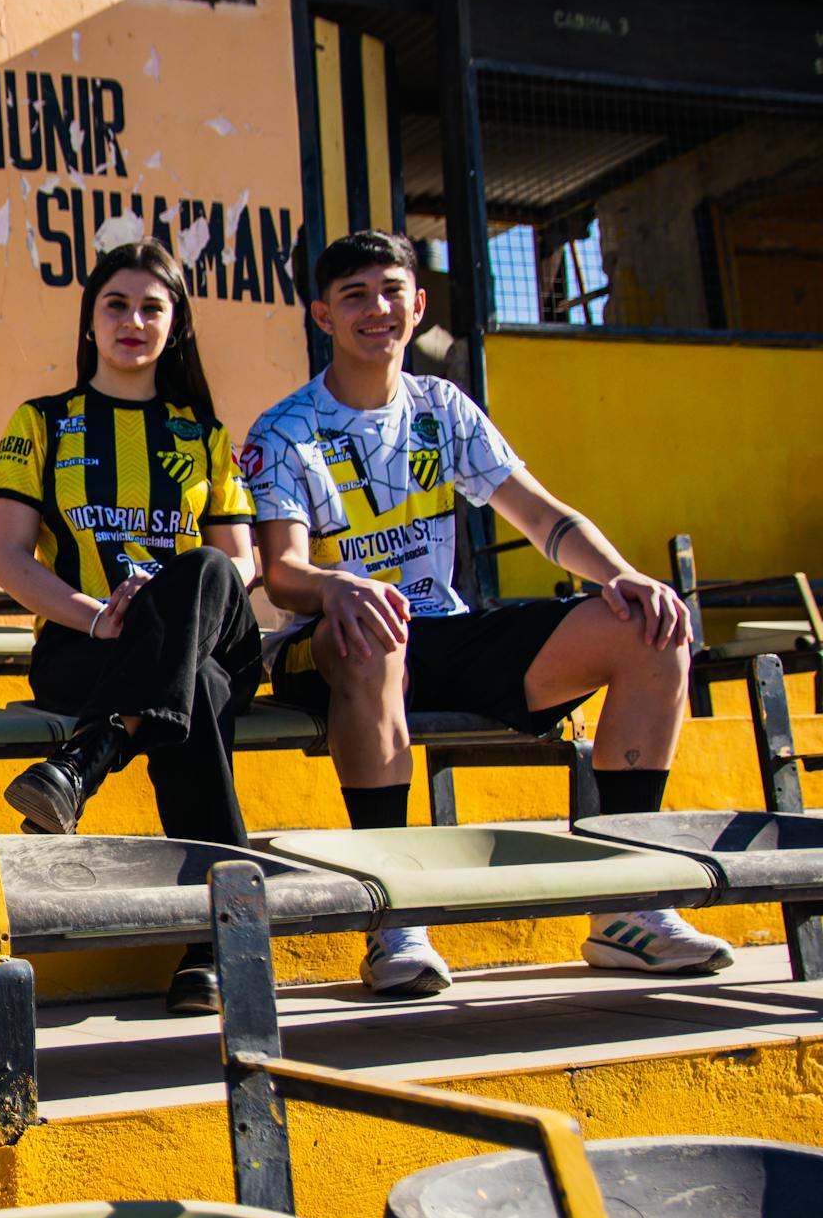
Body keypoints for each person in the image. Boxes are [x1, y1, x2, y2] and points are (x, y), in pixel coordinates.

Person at [245, 229, 731, 999]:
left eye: (391, 291)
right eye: (354, 296)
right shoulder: (282, 431)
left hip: (442, 630)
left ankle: (630, 904)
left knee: (651, 629)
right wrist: (339, 587)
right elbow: (283, 574)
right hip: (329, 644)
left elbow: (542, 518)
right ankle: (393, 915)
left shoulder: (444, 409)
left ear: (418, 303)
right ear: (322, 316)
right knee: (376, 632)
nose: (377, 308)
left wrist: (625, 576)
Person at [0, 239, 261, 1016]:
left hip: (204, 630)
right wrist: (97, 617)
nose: (133, 320)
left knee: (204, 568)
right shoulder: (40, 423)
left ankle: (91, 755)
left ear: (174, 327)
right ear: (90, 321)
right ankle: (215, 945)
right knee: (196, 692)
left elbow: (241, 566)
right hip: (84, 651)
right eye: (116, 303)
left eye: (152, 306)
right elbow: (8, 558)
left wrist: (161, 602)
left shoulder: (203, 434)